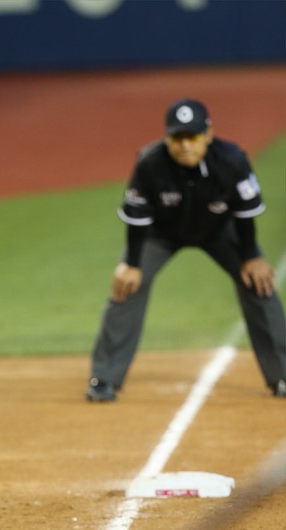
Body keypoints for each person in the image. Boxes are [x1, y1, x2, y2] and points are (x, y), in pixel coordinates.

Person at [86, 98, 286, 402]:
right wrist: (132, 263)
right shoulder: (150, 162)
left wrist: (251, 257)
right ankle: (104, 377)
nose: (185, 146)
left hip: (220, 231)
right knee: (127, 286)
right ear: (167, 138)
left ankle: (282, 374)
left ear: (208, 134)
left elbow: (245, 213)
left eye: (192, 137)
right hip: (160, 234)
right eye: (177, 138)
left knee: (259, 282)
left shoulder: (232, 160)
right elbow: (137, 217)